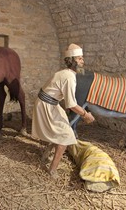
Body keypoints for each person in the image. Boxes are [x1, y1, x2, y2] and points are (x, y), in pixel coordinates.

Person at [31, 43, 95, 178]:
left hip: (50, 103)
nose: (83, 61)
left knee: (63, 126)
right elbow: (71, 104)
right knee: (66, 136)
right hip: (46, 105)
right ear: (72, 61)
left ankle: (46, 153)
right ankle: (52, 170)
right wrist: (85, 115)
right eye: (79, 58)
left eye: (82, 58)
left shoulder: (66, 73)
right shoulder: (69, 77)